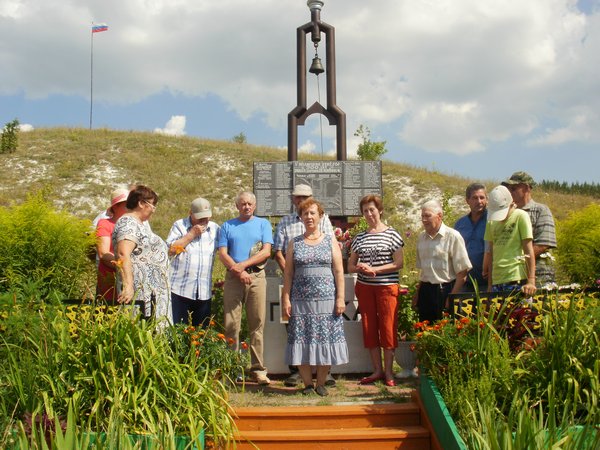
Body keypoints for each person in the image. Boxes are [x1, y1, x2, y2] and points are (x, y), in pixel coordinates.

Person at [281, 198, 348, 397]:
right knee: (300, 340)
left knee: (325, 341)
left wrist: (340, 298)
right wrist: (286, 298)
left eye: (312, 213)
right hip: (300, 302)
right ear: (300, 218)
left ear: (320, 216)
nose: (309, 217)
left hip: (327, 300)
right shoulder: (294, 243)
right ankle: (308, 385)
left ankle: (320, 383)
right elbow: (288, 274)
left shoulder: (330, 240)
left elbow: (338, 271)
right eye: (305, 214)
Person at [273, 183, 335, 387]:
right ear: (293, 200)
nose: (301, 200)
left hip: (320, 287)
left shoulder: (323, 219)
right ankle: (296, 371)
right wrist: (289, 271)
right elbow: (279, 252)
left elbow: (329, 246)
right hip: (294, 283)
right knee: (294, 328)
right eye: (298, 197)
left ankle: (324, 373)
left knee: (322, 329)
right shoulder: (285, 222)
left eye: (305, 197)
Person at [217, 191, 273, 385]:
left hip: (257, 276)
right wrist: (238, 270)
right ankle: (232, 369)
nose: (246, 207)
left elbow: (266, 251)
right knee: (232, 325)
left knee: (256, 324)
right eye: (243, 204)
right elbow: (223, 254)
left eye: (249, 204)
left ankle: (258, 370)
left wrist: (244, 265)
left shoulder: (263, 224)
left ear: (255, 205)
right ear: (237, 206)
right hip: (234, 278)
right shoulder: (227, 226)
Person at [348, 195, 404, 387]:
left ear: (379, 210)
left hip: (386, 287)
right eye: (365, 211)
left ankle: (389, 372)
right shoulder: (360, 237)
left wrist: (376, 270)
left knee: (388, 328)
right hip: (365, 288)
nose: (369, 214)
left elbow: (399, 263)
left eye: (372, 209)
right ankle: (377, 370)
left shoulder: (393, 234)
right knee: (369, 328)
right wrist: (360, 267)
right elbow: (350, 265)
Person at [113, 185, 171, 323]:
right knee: (142, 331)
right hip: (141, 293)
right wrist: (128, 286)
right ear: (141, 203)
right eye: (152, 205)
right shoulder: (128, 223)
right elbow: (122, 253)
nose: (153, 211)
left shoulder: (140, 224)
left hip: (152, 292)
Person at [413, 200, 472, 322]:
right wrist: (417, 294)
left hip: (445, 290)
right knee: (425, 333)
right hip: (426, 292)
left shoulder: (453, 236)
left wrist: (451, 298)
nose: (424, 220)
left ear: (439, 216)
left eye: (428, 216)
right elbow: (423, 272)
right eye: (422, 216)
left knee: (444, 332)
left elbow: (462, 273)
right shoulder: (421, 238)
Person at [167, 197, 220, 327]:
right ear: (190, 213)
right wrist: (191, 234)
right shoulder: (179, 225)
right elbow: (170, 250)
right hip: (180, 289)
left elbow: (225, 251)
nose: (204, 220)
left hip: (203, 291)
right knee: (178, 332)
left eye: (207, 217)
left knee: (200, 335)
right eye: (200, 217)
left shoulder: (215, 229)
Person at [502, 171, 557, 286]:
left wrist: (514, 260)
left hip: (539, 277)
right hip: (512, 277)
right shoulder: (505, 214)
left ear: (526, 188)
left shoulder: (541, 210)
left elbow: (543, 244)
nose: (510, 192)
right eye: (509, 189)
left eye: (514, 188)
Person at [484, 186, 536, 296]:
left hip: (516, 278)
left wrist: (531, 281)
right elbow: (491, 253)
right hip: (496, 280)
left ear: (510, 203)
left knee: (517, 312)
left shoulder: (520, 216)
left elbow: (528, 249)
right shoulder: (491, 222)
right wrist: (489, 285)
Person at [95, 187, 129, 301]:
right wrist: (123, 267)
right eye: (126, 204)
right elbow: (103, 253)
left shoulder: (135, 225)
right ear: (115, 206)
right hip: (110, 277)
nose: (130, 208)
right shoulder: (105, 224)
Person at [454, 183, 488, 292]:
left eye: (482, 198)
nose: (479, 201)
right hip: (464, 283)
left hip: (487, 282)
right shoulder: (460, 224)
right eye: (474, 198)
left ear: (487, 200)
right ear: (467, 200)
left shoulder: (493, 221)